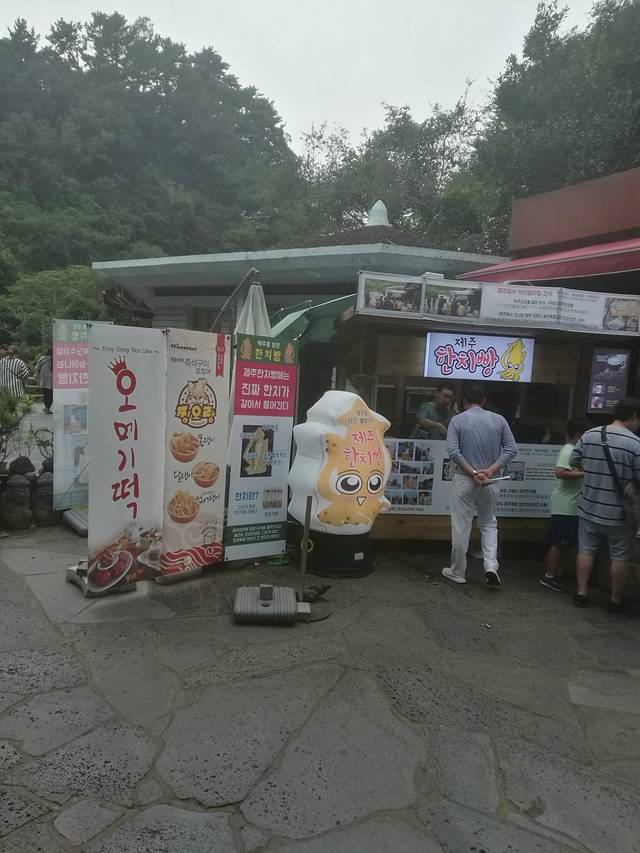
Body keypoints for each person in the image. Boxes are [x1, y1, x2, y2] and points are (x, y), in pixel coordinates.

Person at [569, 398, 640, 612]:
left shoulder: (590, 435)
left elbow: (574, 460)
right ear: (634, 416)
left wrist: (593, 470)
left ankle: (581, 593)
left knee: (586, 550)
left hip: (589, 505)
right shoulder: (635, 444)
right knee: (620, 555)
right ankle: (615, 600)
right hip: (619, 513)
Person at [443, 383, 517, 586]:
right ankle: (491, 566)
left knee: (461, 526)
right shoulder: (499, 420)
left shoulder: (457, 420)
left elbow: (454, 452)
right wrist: (489, 471)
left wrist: (474, 473)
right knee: (488, 523)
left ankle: (458, 572)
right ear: (484, 400)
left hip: (464, 480)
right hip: (490, 481)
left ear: (464, 401)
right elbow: (511, 449)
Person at [540, 418, 591, 591]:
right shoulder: (569, 450)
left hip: (573, 506)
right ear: (578, 435)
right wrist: (585, 473)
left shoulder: (576, 451)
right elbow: (560, 472)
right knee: (560, 543)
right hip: (565, 506)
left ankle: (560, 575)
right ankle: (549, 576)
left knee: (567, 544)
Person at [35, 348, 53, 413]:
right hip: (52, 379)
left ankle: (46, 408)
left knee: (45, 394)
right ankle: (48, 408)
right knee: (51, 394)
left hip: (43, 379)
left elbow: (37, 368)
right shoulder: (55, 359)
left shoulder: (42, 358)